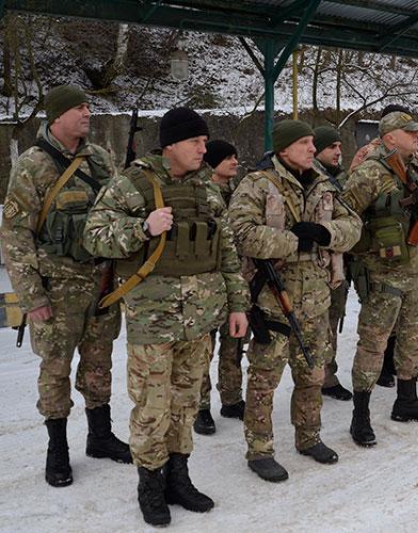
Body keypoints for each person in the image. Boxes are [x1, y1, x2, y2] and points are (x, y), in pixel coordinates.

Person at [84, 107, 249, 526]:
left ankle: (180, 477)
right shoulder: (132, 184)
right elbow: (93, 237)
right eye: (195, 141)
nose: (203, 148)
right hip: (152, 321)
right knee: (152, 407)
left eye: (204, 141)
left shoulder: (208, 191)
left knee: (186, 403)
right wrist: (143, 228)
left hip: (199, 320)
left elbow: (227, 253)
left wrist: (237, 305)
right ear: (171, 144)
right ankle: (150, 484)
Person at [0, 84, 129, 489]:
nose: (88, 113)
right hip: (57, 288)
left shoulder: (100, 158)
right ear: (56, 117)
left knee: (99, 361)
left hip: (102, 281)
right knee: (55, 368)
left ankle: (100, 436)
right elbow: (16, 234)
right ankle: (57, 448)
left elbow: (118, 210)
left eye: (89, 106)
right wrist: (31, 295)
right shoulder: (33, 165)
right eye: (79, 108)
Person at [229, 120, 361, 481]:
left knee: (313, 374)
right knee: (263, 380)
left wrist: (324, 232)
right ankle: (259, 449)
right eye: (304, 143)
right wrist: (294, 241)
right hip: (273, 301)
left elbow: (354, 228)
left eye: (311, 143)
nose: (312, 149)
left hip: (317, 300)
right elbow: (239, 233)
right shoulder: (257, 184)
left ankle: (309, 436)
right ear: (284, 149)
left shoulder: (323, 183)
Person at [342, 111, 418, 445]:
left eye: (417, 132)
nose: (416, 137)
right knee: (373, 343)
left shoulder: (415, 168)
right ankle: (361, 414)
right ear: (389, 138)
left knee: (415, 337)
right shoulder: (370, 173)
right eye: (409, 132)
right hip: (385, 274)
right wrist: (370, 248)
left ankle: (407, 399)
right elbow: (345, 218)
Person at [194, 140, 247, 435]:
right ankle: (200, 407)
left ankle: (231, 398)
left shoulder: (239, 194)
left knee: (234, 344)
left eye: (235, 156)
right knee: (204, 347)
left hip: (236, 279)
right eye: (228, 157)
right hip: (209, 281)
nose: (235, 162)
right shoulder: (202, 194)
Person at [313, 125, 354, 401]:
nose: (338, 152)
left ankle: (327, 375)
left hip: (338, 264)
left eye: (340, 147)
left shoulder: (339, 179)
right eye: (332, 147)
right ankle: (314, 377)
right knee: (317, 324)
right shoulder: (314, 180)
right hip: (316, 265)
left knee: (333, 318)